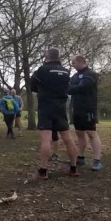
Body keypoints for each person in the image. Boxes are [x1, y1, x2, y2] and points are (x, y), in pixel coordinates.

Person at [31, 48, 79, 179]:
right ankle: (74, 168)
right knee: (68, 139)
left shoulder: (41, 70)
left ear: (46, 57)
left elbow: (32, 86)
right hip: (61, 108)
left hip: (46, 107)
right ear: (59, 57)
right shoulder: (66, 72)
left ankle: (43, 171)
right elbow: (67, 88)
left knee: (46, 139)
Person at [69, 55, 103, 171]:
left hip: (88, 108)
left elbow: (83, 87)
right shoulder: (74, 76)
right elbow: (69, 88)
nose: (72, 65)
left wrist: (73, 88)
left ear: (80, 61)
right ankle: (81, 157)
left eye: (73, 62)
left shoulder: (91, 74)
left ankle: (97, 160)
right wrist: (73, 88)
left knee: (91, 133)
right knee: (79, 133)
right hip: (77, 108)